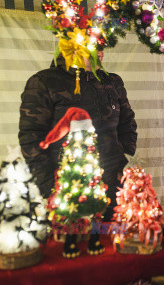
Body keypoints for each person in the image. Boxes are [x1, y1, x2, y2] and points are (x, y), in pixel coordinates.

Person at [19, 51, 137, 256]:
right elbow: (31, 139)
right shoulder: (44, 82)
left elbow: (128, 124)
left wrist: (123, 167)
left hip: (112, 191)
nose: (99, 51)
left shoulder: (113, 82)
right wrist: (49, 188)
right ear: (72, 45)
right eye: (91, 43)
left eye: (101, 44)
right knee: (72, 258)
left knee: (111, 255)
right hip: (68, 194)